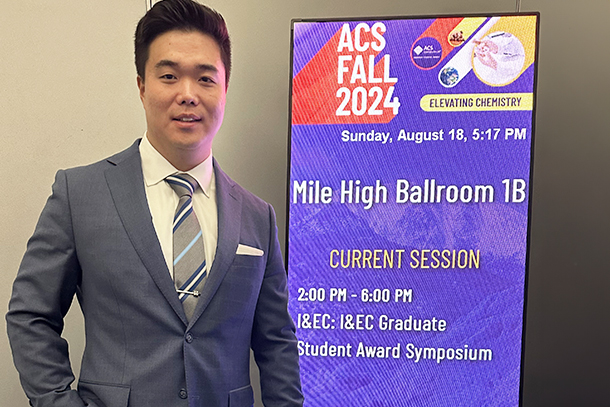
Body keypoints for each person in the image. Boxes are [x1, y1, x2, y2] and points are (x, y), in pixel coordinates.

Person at [5, 0, 303, 406]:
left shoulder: (257, 217)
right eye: (168, 76)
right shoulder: (79, 194)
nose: (187, 95)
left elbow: (277, 342)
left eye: (205, 79)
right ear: (142, 85)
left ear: (226, 88)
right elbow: (30, 316)